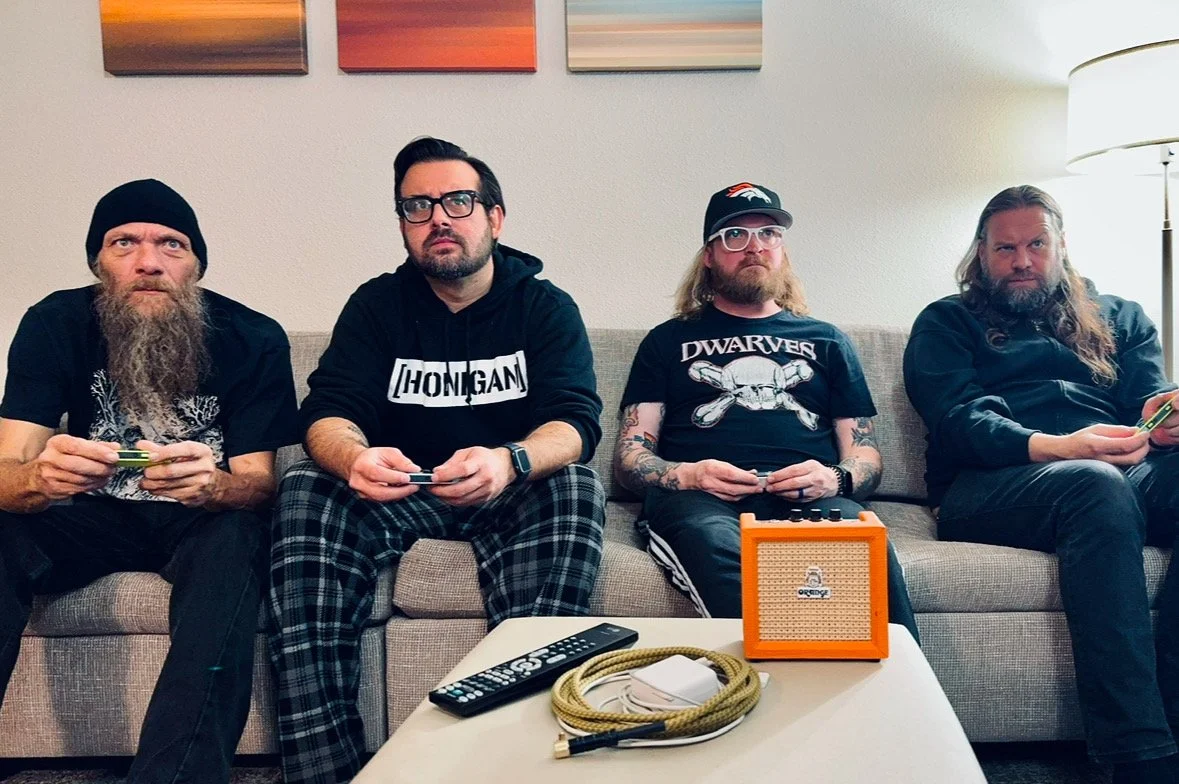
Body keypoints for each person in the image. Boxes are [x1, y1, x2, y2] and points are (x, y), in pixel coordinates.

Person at [268, 136, 606, 783]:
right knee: (305, 486)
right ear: (402, 225)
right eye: (417, 207)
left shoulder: (544, 307)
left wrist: (510, 459)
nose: (438, 219)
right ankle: (325, 772)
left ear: (494, 216)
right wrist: (354, 458)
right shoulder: (376, 307)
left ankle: (521, 765)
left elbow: (574, 422)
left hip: (507, 488)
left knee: (573, 486)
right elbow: (328, 413)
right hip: (398, 490)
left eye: (457, 201)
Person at [0, 179, 299, 783]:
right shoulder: (53, 322)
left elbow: (259, 483)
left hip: (200, 518)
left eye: (171, 245)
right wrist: (39, 475)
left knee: (241, 533)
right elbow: (6, 473)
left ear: (196, 266)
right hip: (87, 513)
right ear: (97, 262)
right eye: (124, 243)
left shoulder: (254, 337)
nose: (148, 262)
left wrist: (214, 486)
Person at [903, 185, 1179, 782]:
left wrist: (1159, 424)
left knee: (1116, 481)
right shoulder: (947, 322)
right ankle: (1140, 759)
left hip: (1114, 471)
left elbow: (1144, 409)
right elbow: (959, 423)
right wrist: (1063, 447)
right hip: (990, 485)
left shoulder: (1124, 318)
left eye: (1035, 244)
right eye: (1005, 248)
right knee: (1093, 485)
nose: (1021, 260)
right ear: (980, 253)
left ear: (1061, 246)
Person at [615, 181, 918, 640]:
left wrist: (833, 478)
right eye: (735, 235)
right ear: (710, 256)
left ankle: (902, 705)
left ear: (783, 249)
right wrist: (690, 475)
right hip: (702, 501)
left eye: (769, 233)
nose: (755, 247)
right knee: (715, 546)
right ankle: (771, 696)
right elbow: (631, 457)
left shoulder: (828, 341)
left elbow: (867, 455)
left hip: (811, 498)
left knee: (867, 552)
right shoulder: (666, 341)